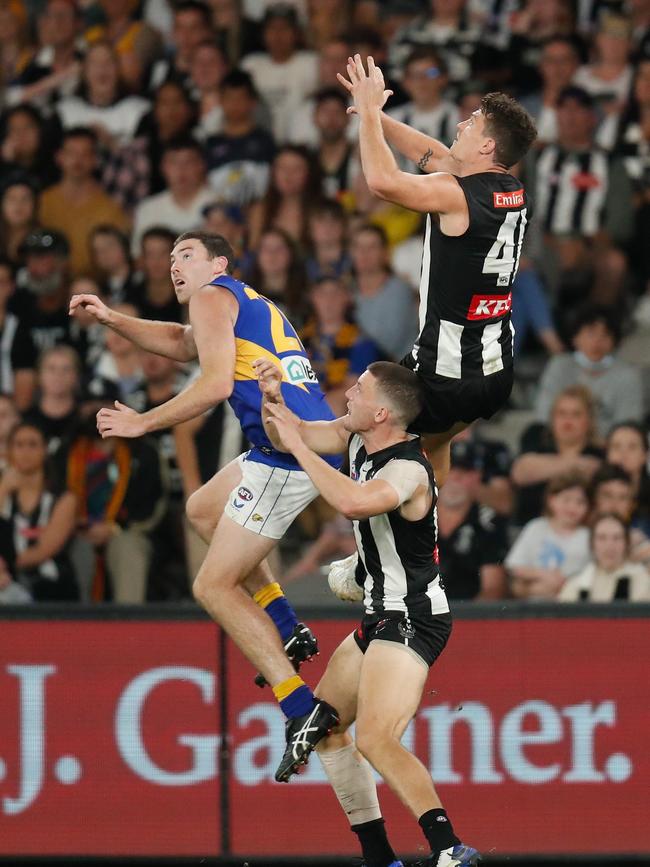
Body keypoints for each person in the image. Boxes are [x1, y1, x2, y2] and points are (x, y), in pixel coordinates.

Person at [69, 230, 341, 778]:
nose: (174, 264)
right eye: (170, 258)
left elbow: (215, 385)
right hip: (288, 443)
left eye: (185, 254)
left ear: (219, 263)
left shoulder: (212, 295)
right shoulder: (236, 300)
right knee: (200, 508)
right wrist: (112, 319)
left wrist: (142, 422)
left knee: (211, 587)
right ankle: (286, 623)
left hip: (285, 453)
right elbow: (179, 340)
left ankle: (299, 706)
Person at [256, 357, 479, 866]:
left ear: (381, 413)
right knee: (324, 727)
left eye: (359, 390)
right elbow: (296, 431)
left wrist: (294, 443)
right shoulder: (357, 438)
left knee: (377, 738)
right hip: (379, 614)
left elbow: (355, 503)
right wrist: (272, 398)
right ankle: (380, 858)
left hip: (413, 616)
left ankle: (450, 849)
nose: (348, 395)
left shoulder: (407, 469)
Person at [338, 56, 537, 487]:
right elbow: (433, 155)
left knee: (364, 436)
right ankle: (427, 532)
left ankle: (398, 550)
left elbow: (383, 182)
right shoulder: (511, 191)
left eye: (473, 122)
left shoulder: (455, 193)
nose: (462, 125)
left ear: (487, 147)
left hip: (446, 373)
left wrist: (369, 116)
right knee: (434, 446)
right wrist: (378, 117)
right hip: (494, 369)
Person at [506, 471, 591, 600]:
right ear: (552, 500)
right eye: (566, 499)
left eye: (580, 502)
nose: (572, 507)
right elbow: (515, 566)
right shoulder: (536, 527)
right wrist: (543, 575)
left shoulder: (587, 536)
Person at [558, 513, 650, 602]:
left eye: (617, 538)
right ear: (592, 544)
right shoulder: (575, 585)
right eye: (602, 538)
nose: (609, 546)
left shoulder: (644, 581)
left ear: (626, 543)